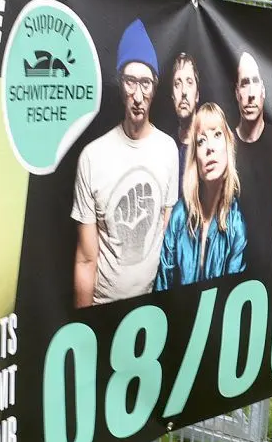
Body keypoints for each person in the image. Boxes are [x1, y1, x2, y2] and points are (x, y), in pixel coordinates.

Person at [72, 19, 180, 307]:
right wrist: (84, 328)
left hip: (151, 308)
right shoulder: (92, 158)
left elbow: (167, 233)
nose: (138, 95)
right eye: (131, 81)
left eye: (146, 83)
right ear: (120, 84)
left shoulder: (168, 150)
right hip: (104, 306)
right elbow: (85, 259)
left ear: (155, 88)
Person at [156, 102, 247, 289]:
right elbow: (162, 288)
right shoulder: (179, 217)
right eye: (201, 141)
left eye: (217, 134)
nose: (209, 148)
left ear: (228, 147)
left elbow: (232, 297)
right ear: (194, 158)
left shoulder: (236, 224)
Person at [232, 51, 272, 276]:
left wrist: (266, 253)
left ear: (264, 90)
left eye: (256, 82)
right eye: (245, 83)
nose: (251, 93)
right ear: (237, 93)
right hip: (232, 270)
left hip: (266, 270)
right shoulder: (226, 141)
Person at [169, 51, 201, 189]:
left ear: (197, 95)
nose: (183, 91)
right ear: (172, 96)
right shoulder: (166, 148)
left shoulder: (208, 147)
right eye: (177, 83)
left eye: (189, 82)